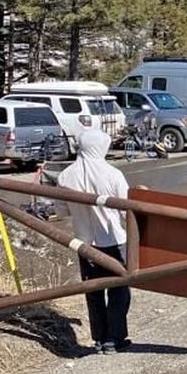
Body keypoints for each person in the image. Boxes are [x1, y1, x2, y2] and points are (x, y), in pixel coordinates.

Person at [56, 129, 131, 355]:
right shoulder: (112, 174)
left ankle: (99, 339)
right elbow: (127, 211)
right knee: (119, 290)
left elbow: (61, 210)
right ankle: (114, 339)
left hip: (83, 243)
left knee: (93, 291)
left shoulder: (65, 176)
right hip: (114, 241)